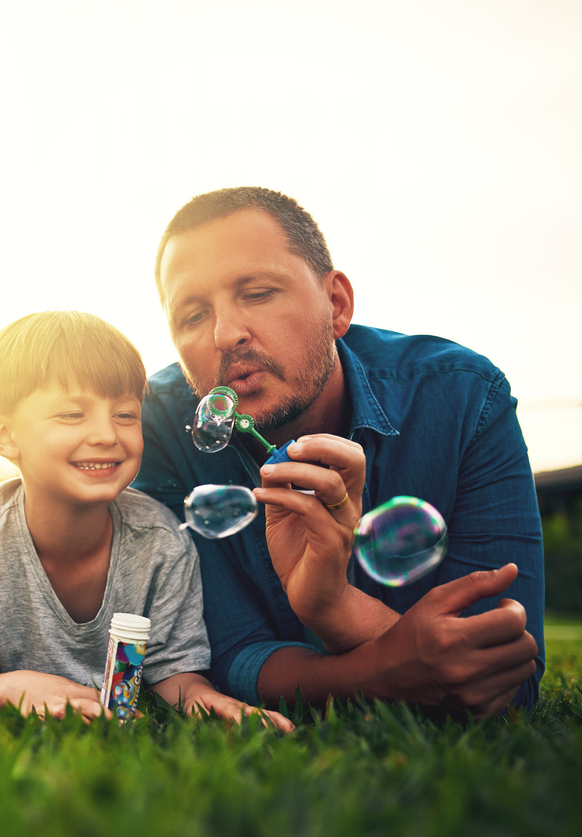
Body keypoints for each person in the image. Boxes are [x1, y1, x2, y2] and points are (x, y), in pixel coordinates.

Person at [133, 187, 544, 719]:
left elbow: (506, 681)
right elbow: (224, 653)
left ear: (336, 304)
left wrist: (337, 607)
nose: (225, 334)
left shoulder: (464, 398)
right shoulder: (154, 424)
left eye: (257, 293)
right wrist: (381, 669)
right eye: (191, 315)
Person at [0, 310, 293, 729]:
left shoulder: (161, 539)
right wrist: (11, 688)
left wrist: (207, 701)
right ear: (5, 434)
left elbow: (174, 674)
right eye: (72, 415)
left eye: (125, 415)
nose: (107, 435)